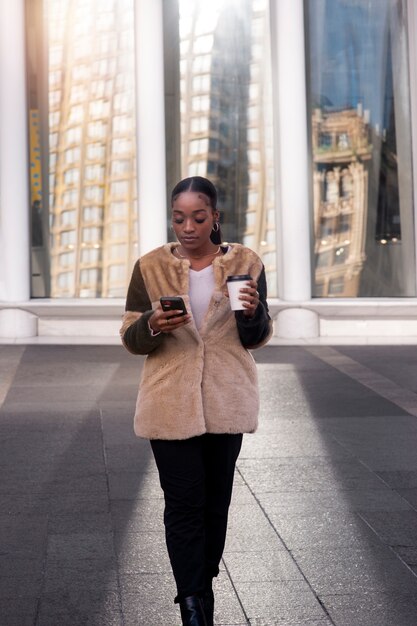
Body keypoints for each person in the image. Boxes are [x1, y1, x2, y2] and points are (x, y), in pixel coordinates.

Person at [120, 176, 273, 626]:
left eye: (198, 217)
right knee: (183, 505)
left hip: (226, 399)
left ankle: (201, 586)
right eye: (179, 218)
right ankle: (192, 604)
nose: (187, 227)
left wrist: (254, 312)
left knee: (215, 505)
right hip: (170, 402)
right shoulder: (149, 267)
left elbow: (258, 336)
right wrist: (152, 324)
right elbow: (130, 335)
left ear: (215, 218)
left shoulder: (247, 262)